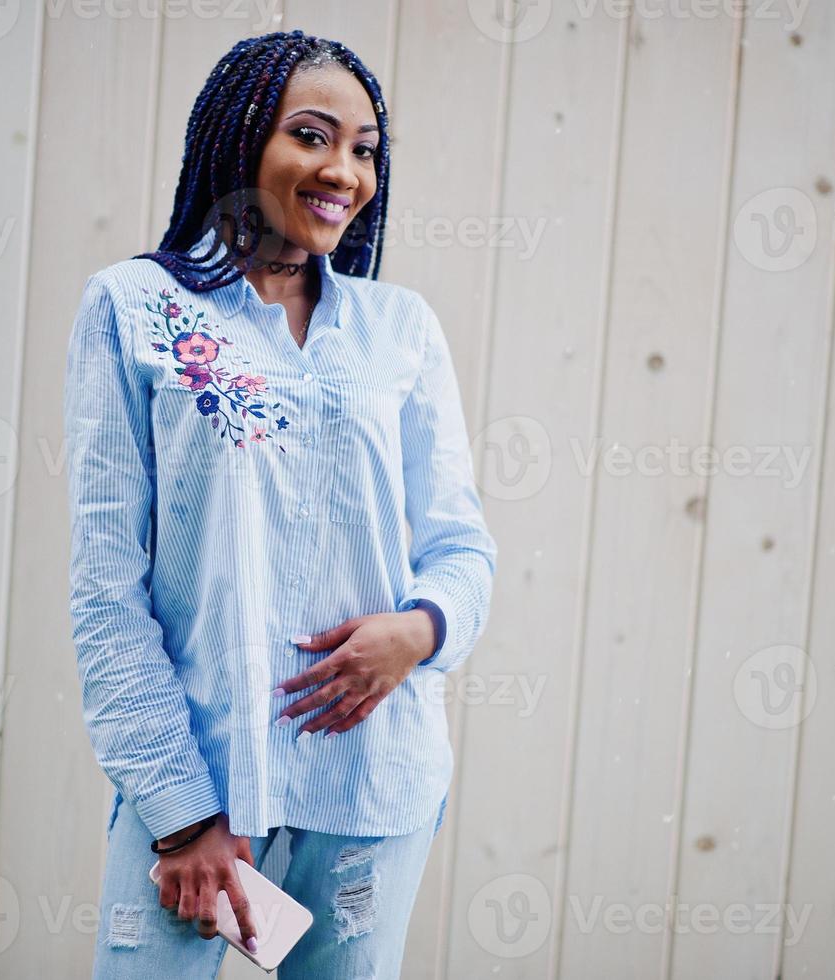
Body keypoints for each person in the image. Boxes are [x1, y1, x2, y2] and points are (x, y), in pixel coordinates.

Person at [63, 29, 497, 979]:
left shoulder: (399, 331)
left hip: (374, 790)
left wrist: (419, 631)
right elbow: (106, 591)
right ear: (240, 141)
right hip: (197, 789)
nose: (343, 170)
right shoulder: (136, 311)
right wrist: (182, 816)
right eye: (312, 135)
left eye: (364, 149)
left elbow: (464, 548)